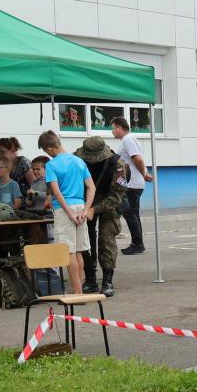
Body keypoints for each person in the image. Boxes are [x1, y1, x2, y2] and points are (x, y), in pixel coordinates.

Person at [38, 131, 95, 295]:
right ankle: (80, 290)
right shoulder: (79, 161)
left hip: (64, 210)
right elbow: (91, 187)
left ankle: (77, 292)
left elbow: (56, 192)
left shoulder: (51, 165)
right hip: (81, 207)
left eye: (46, 150)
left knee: (68, 251)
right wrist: (85, 210)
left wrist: (69, 214)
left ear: (49, 148)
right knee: (79, 251)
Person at [75, 137, 127, 297]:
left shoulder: (117, 164)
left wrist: (94, 209)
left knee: (107, 239)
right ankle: (90, 279)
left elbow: (117, 196)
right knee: (85, 241)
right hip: (85, 201)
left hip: (109, 202)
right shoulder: (77, 159)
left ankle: (107, 280)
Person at [111, 117, 152, 255]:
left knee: (130, 213)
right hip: (132, 182)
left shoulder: (128, 140)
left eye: (113, 128)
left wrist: (144, 174)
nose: (112, 131)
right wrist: (144, 173)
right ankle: (138, 243)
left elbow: (137, 159)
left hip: (131, 183)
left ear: (119, 128)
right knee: (133, 213)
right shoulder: (127, 140)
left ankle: (137, 244)